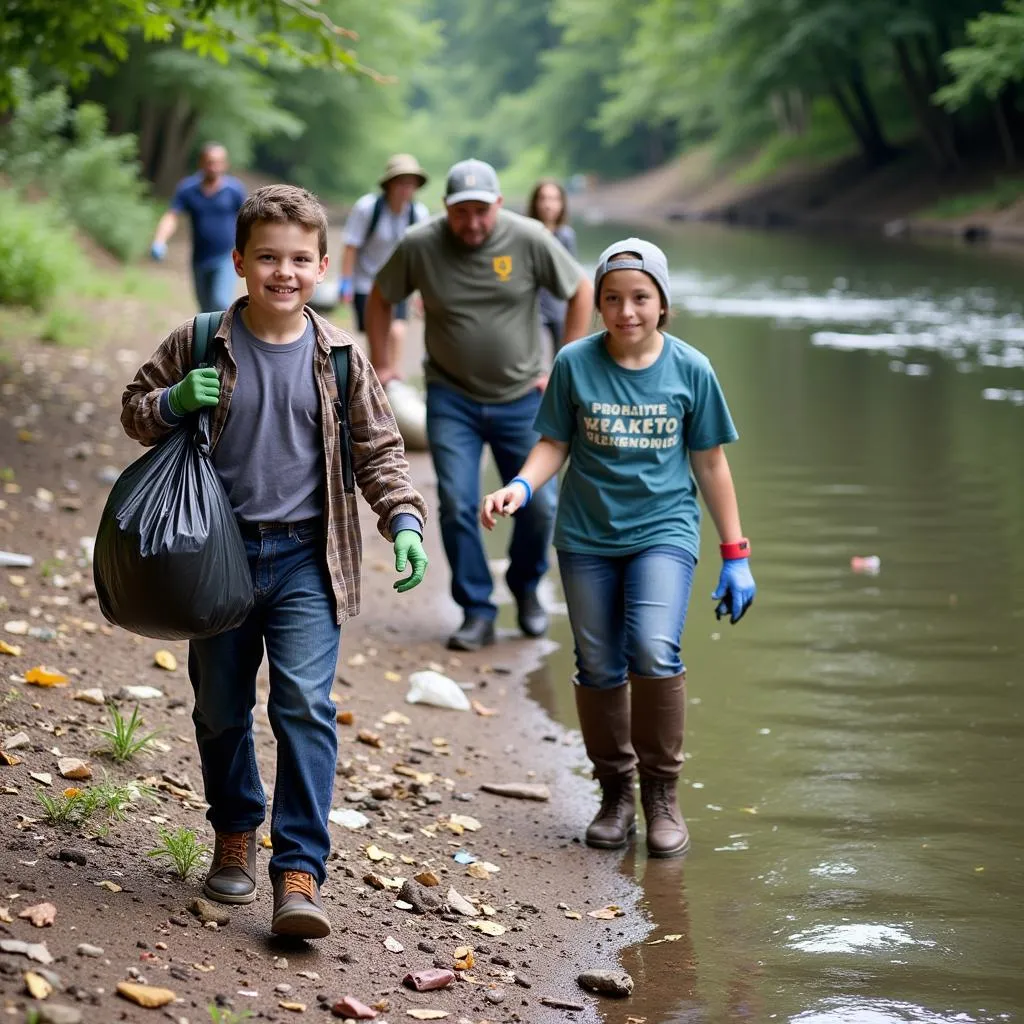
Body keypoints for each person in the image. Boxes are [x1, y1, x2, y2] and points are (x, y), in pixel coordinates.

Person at [123, 184, 429, 938]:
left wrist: (406, 519)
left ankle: (297, 872)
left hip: (306, 561)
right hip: (213, 558)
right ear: (238, 261)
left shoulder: (343, 359)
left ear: (323, 266)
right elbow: (134, 407)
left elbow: (380, 451)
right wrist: (172, 404)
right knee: (222, 709)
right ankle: (235, 833)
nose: (283, 272)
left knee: (304, 708)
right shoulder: (199, 340)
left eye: (299, 259)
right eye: (267, 257)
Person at [481, 238, 756, 858]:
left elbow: (710, 463)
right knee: (598, 664)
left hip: (664, 530)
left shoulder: (692, 369)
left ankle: (661, 795)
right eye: (612, 298)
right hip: (586, 537)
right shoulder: (576, 364)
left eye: (640, 297)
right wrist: (521, 487)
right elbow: (554, 442)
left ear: (662, 304)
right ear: (598, 304)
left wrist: (735, 553)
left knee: (654, 650)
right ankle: (614, 794)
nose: (626, 311)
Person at [366, 158, 594, 652]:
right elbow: (381, 297)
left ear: (498, 205)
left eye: (480, 212)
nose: (471, 223)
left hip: (522, 401)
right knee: (457, 503)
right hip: (452, 399)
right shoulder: (421, 244)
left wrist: (563, 364)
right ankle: (476, 609)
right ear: (446, 208)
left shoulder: (529, 237)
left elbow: (581, 290)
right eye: (460, 212)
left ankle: (527, 586)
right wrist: (381, 364)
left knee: (540, 505)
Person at [339, 154, 430, 352]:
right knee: (376, 336)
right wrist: (345, 283)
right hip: (366, 282)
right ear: (389, 184)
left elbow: (422, 256)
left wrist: (423, 292)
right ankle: (377, 378)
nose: (406, 189)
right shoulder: (368, 208)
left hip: (398, 284)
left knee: (397, 331)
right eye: (401, 183)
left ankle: (391, 378)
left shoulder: (419, 214)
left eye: (411, 184)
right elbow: (351, 246)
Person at [150, 142, 247, 313]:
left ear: (225, 164)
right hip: (200, 259)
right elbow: (172, 216)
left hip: (227, 256)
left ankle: (227, 339)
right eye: (209, 162)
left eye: (218, 162)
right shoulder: (188, 189)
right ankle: (208, 339)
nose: (213, 167)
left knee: (220, 301)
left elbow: (248, 219)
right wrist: (159, 241)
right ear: (201, 163)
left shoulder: (234, 190)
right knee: (205, 311)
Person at [527, 179, 577, 347]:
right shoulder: (527, 234)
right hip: (533, 311)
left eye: (554, 199)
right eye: (543, 198)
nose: (548, 205)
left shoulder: (566, 236)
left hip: (559, 310)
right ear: (535, 202)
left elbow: (573, 278)